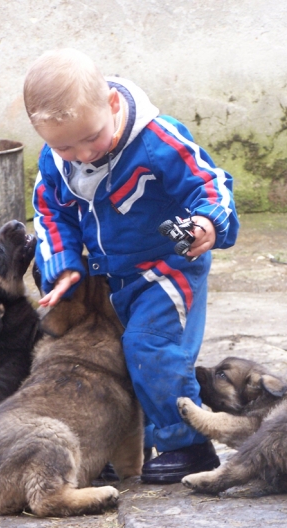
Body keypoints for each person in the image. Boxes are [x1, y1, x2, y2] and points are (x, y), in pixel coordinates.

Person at [23, 48, 239, 484]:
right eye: (64, 146)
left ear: (114, 106)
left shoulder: (159, 139)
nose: (81, 153)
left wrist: (207, 223)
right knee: (111, 357)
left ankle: (187, 444)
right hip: (109, 278)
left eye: (91, 138)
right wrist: (62, 264)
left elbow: (209, 185)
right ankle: (118, 446)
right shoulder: (56, 163)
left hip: (167, 269)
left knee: (151, 349)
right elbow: (50, 214)